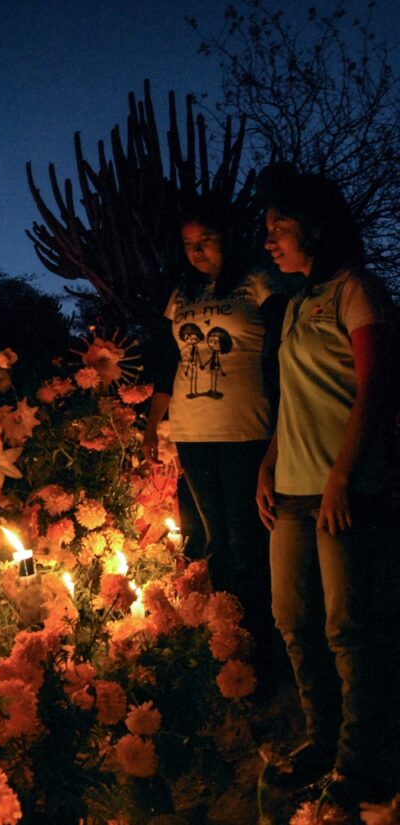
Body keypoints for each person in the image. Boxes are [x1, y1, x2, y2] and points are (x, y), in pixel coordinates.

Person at [256, 166, 395, 805]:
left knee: (348, 629)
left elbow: (375, 387)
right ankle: (322, 736)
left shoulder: (355, 290)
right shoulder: (291, 304)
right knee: (293, 620)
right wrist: (269, 463)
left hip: (345, 489)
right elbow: (295, 396)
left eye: (279, 229)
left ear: (315, 227)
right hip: (290, 491)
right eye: (267, 231)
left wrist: (342, 478)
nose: (269, 242)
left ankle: (359, 763)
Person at [144, 201, 291, 684]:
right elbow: (168, 360)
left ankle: (270, 649)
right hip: (193, 430)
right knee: (215, 543)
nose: (197, 251)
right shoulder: (182, 294)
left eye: (205, 240)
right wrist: (153, 422)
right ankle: (232, 648)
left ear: (226, 238)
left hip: (245, 427)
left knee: (250, 541)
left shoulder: (258, 281)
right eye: (188, 245)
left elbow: (284, 345)